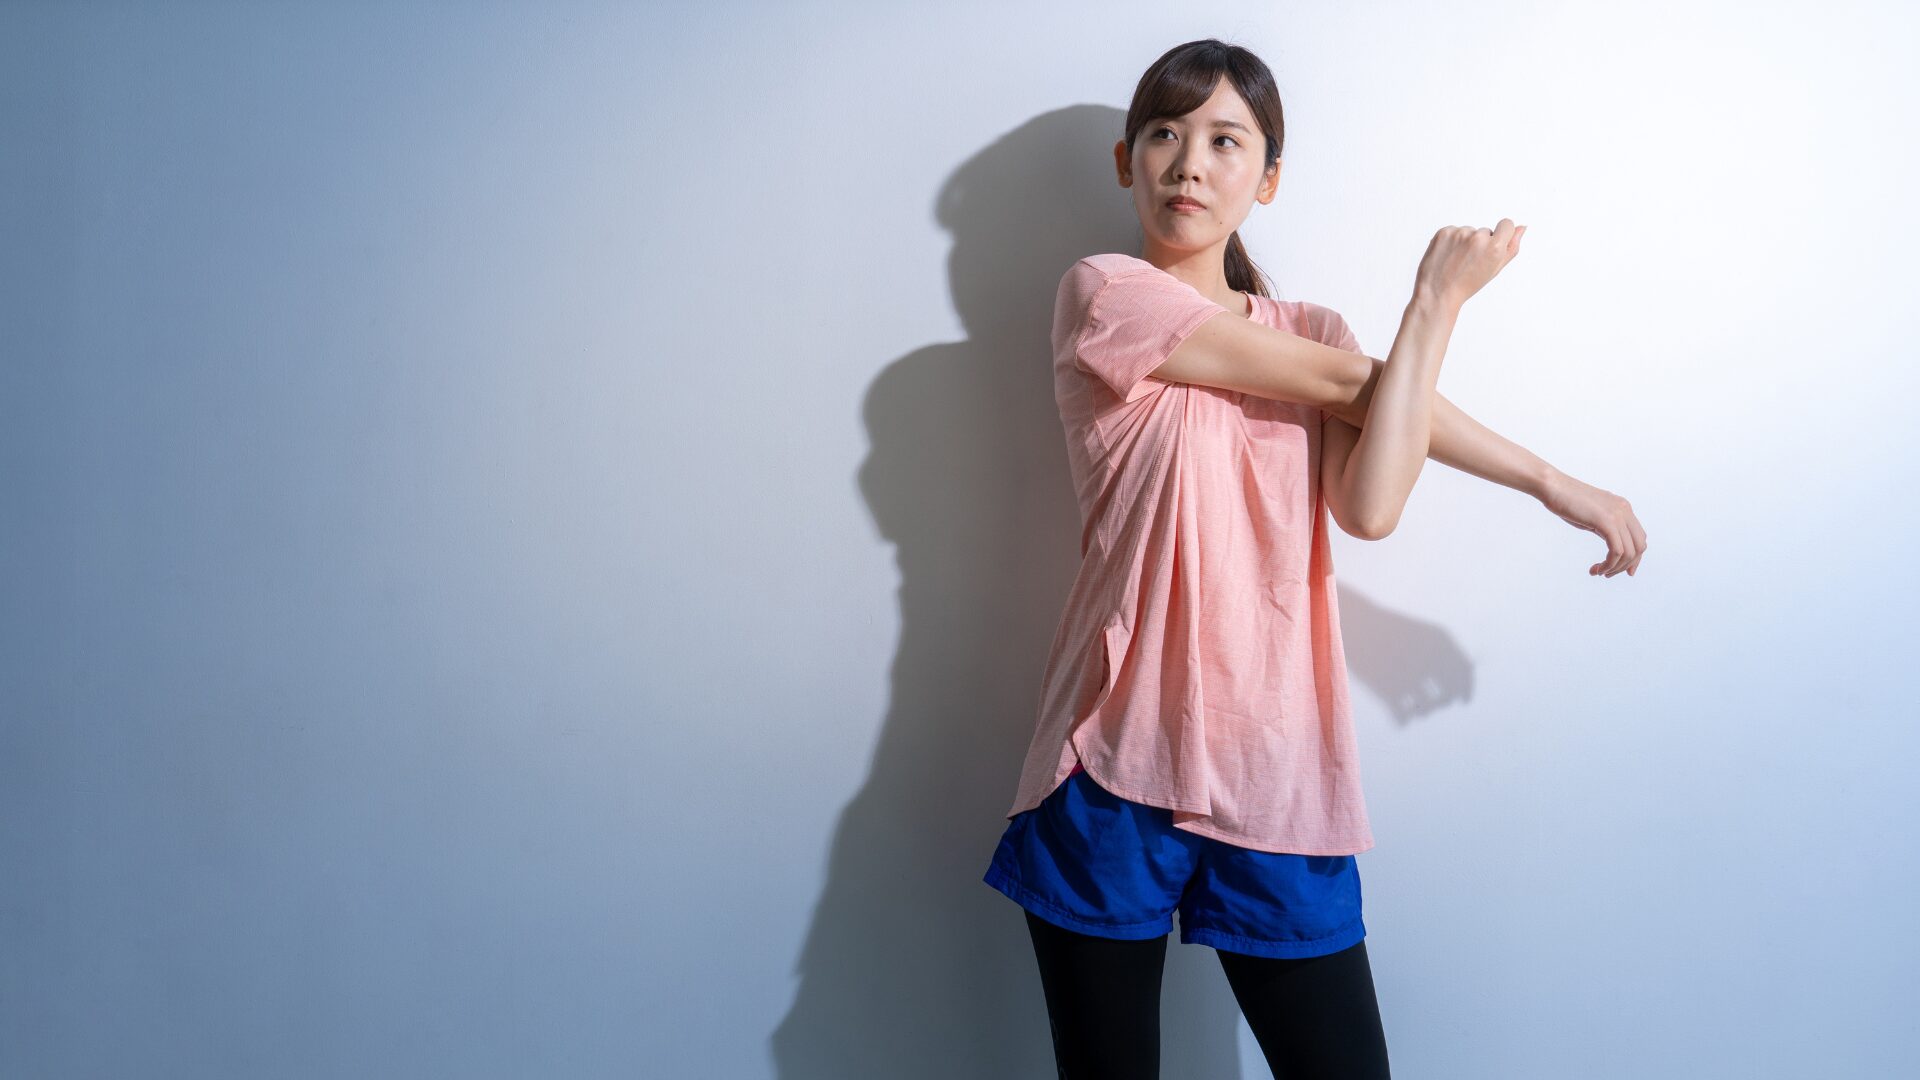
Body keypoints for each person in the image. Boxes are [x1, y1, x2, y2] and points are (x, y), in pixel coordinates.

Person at [982, 38, 1648, 1079]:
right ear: (1126, 161)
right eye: (1164, 134)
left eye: (1225, 140)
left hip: (1278, 769)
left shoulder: (1316, 329)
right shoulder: (1107, 294)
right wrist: (1535, 459)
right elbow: (1352, 386)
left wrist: (1439, 317)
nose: (1189, 163)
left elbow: (1370, 507)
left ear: (1269, 179)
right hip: (1112, 759)